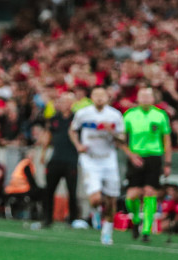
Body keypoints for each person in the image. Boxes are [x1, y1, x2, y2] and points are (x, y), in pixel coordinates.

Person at [69, 86, 125, 245]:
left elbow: (122, 139)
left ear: (108, 97)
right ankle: (96, 213)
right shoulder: (83, 114)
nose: (100, 98)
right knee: (95, 199)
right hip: (90, 160)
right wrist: (78, 145)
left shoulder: (115, 115)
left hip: (108, 159)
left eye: (103, 95)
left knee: (111, 199)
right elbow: (72, 130)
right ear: (92, 97)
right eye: (96, 95)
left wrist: (111, 132)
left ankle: (107, 231)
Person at [122, 87, 172, 242]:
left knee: (150, 193)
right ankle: (136, 219)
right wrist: (130, 155)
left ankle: (146, 230)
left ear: (153, 99)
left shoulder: (160, 115)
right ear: (137, 98)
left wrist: (168, 162)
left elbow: (167, 140)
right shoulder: (130, 115)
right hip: (136, 157)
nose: (144, 99)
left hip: (154, 157)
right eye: (142, 96)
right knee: (131, 196)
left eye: (148, 96)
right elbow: (121, 139)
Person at [40, 92, 80, 228]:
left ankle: (73, 219)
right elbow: (48, 134)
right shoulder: (54, 119)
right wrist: (43, 153)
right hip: (55, 158)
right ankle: (47, 218)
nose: (62, 104)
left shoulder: (77, 119)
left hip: (71, 159)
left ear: (71, 104)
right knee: (49, 190)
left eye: (65, 101)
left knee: (72, 191)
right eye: (61, 101)